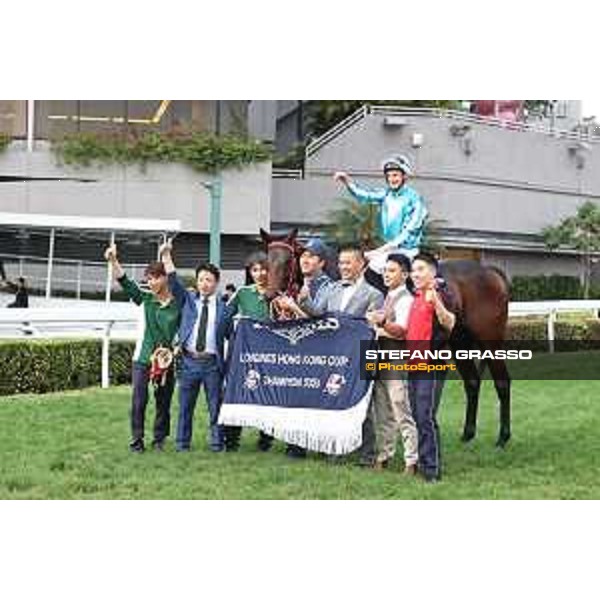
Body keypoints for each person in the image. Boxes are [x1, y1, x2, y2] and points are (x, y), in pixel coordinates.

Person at [281, 246, 384, 466]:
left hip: (359, 358)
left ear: (361, 264)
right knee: (333, 402)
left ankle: (368, 456)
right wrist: (304, 300)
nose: (343, 267)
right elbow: (318, 316)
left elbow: (372, 328)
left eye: (348, 262)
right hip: (333, 356)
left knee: (361, 406)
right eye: (341, 263)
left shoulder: (374, 295)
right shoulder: (332, 289)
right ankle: (335, 451)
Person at [105, 244, 180, 453]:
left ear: (165, 278)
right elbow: (125, 282)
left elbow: (183, 331)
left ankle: (159, 440)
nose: (151, 282)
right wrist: (113, 260)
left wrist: (167, 255)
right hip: (142, 359)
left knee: (163, 402)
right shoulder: (145, 299)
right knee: (139, 401)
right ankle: (136, 440)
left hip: (166, 360)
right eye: (148, 278)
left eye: (155, 277)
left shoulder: (178, 304)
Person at [160, 241, 228, 453]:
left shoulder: (225, 308)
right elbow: (173, 281)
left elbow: (233, 335)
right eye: (201, 279)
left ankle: (217, 444)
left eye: (209, 280)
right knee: (185, 407)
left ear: (216, 283)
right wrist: (166, 256)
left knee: (215, 407)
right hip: (189, 362)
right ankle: (182, 444)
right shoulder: (188, 300)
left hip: (212, 365)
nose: (204, 284)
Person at [333, 155, 427, 293]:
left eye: (395, 175)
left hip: (407, 250)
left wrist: (379, 251)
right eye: (389, 176)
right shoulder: (386, 195)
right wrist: (347, 182)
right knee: (370, 270)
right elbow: (364, 195)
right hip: (390, 249)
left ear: (404, 177)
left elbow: (409, 231)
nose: (392, 179)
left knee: (381, 267)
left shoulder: (414, 198)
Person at [406, 253, 458, 483]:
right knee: (419, 416)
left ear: (433, 272)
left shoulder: (442, 293)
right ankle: (428, 464)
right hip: (414, 363)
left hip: (432, 364)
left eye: (420, 269)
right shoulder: (415, 296)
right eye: (413, 270)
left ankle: (432, 470)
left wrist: (435, 299)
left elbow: (450, 322)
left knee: (426, 416)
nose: (415, 274)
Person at [365, 254, 418, 474]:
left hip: (395, 357)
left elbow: (403, 331)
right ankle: (384, 455)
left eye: (392, 270)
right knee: (382, 410)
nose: (386, 274)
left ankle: (411, 460)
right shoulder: (387, 297)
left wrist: (382, 322)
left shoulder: (406, 299)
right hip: (378, 357)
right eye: (385, 270)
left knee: (400, 406)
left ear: (404, 274)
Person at [222, 251, 274, 452]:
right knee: (237, 392)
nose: (260, 273)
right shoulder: (242, 292)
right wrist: (233, 339)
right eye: (255, 270)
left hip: (270, 356)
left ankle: (266, 441)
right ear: (250, 272)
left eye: (264, 269)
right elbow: (224, 317)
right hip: (244, 356)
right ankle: (232, 440)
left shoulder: (278, 294)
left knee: (268, 395)